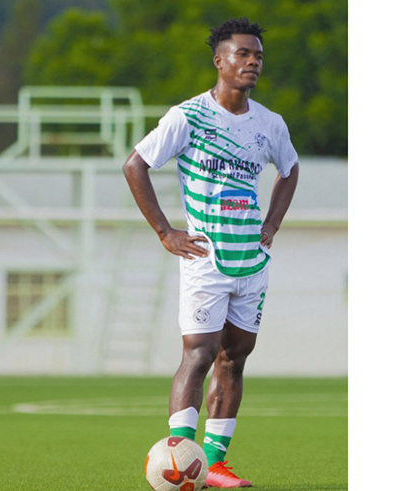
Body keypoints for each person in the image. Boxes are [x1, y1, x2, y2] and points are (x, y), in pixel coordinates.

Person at [122, 18, 299, 489]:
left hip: (252, 262)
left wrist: (271, 224)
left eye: (257, 55)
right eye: (242, 54)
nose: (252, 62)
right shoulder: (188, 116)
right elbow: (135, 164)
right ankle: (180, 457)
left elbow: (290, 168)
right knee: (198, 353)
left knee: (234, 359)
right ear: (219, 61)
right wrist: (165, 231)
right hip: (206, 258)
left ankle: (216, 465)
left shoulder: (270, 124)